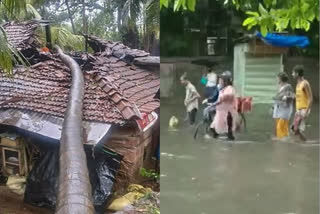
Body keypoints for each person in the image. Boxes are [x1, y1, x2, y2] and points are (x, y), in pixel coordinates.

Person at [210, 71, 236, 140]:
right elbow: (216, 96)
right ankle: (216, 138)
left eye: (221, 80)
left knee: (228, 131)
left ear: (226, 81)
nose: (219, 81)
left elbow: (229, 95)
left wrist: (221, 99)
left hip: (226, 113)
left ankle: (229, 144)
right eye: (219, 80)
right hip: (220, 112)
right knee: (213, 128)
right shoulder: (221, 88)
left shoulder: (230, 88)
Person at [291, 65, 313, 141]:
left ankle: (306, 144)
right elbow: (299, 96)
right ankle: (304, 143)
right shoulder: (298, 84)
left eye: (293, 73)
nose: (292, 74)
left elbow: (310, 98)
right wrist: (292, 95)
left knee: (297, 129)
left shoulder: (305, 83)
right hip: (298, 109)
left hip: (304, 109)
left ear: (297, 73)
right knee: (294, 129)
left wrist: (306, 112)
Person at [272, 72, 295, 139]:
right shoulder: (279, 87)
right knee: (282, 127)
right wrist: (273, 106)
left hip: (285, 109)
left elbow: (293, 96)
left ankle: (281, 141)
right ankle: (286, 139)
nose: (277, 79)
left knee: (280, 126)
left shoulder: (288, 86)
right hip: (278, 108)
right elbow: (278, 97)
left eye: (278, 78)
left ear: (281, 79)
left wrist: (287, 97)